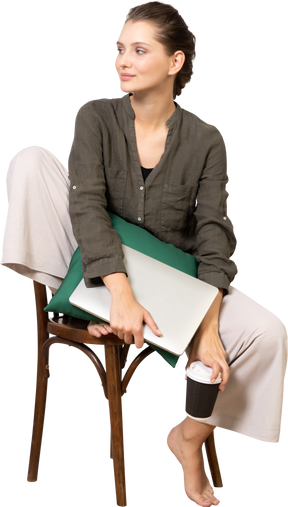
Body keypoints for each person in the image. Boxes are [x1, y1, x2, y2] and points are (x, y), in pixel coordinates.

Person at [0, 2, 287, 505]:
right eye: (118, 49)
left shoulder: (207, 138)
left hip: (175, 281)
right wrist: (119, 297)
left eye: (138, 50)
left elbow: (215, 235)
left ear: (175, 62)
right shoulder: (94, 115)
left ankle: (188, 437)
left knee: (269, 330)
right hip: (96, 269)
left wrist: (210, 326)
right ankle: (79, 305)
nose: (122, 61)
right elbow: (86, 206)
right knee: (29, 158)